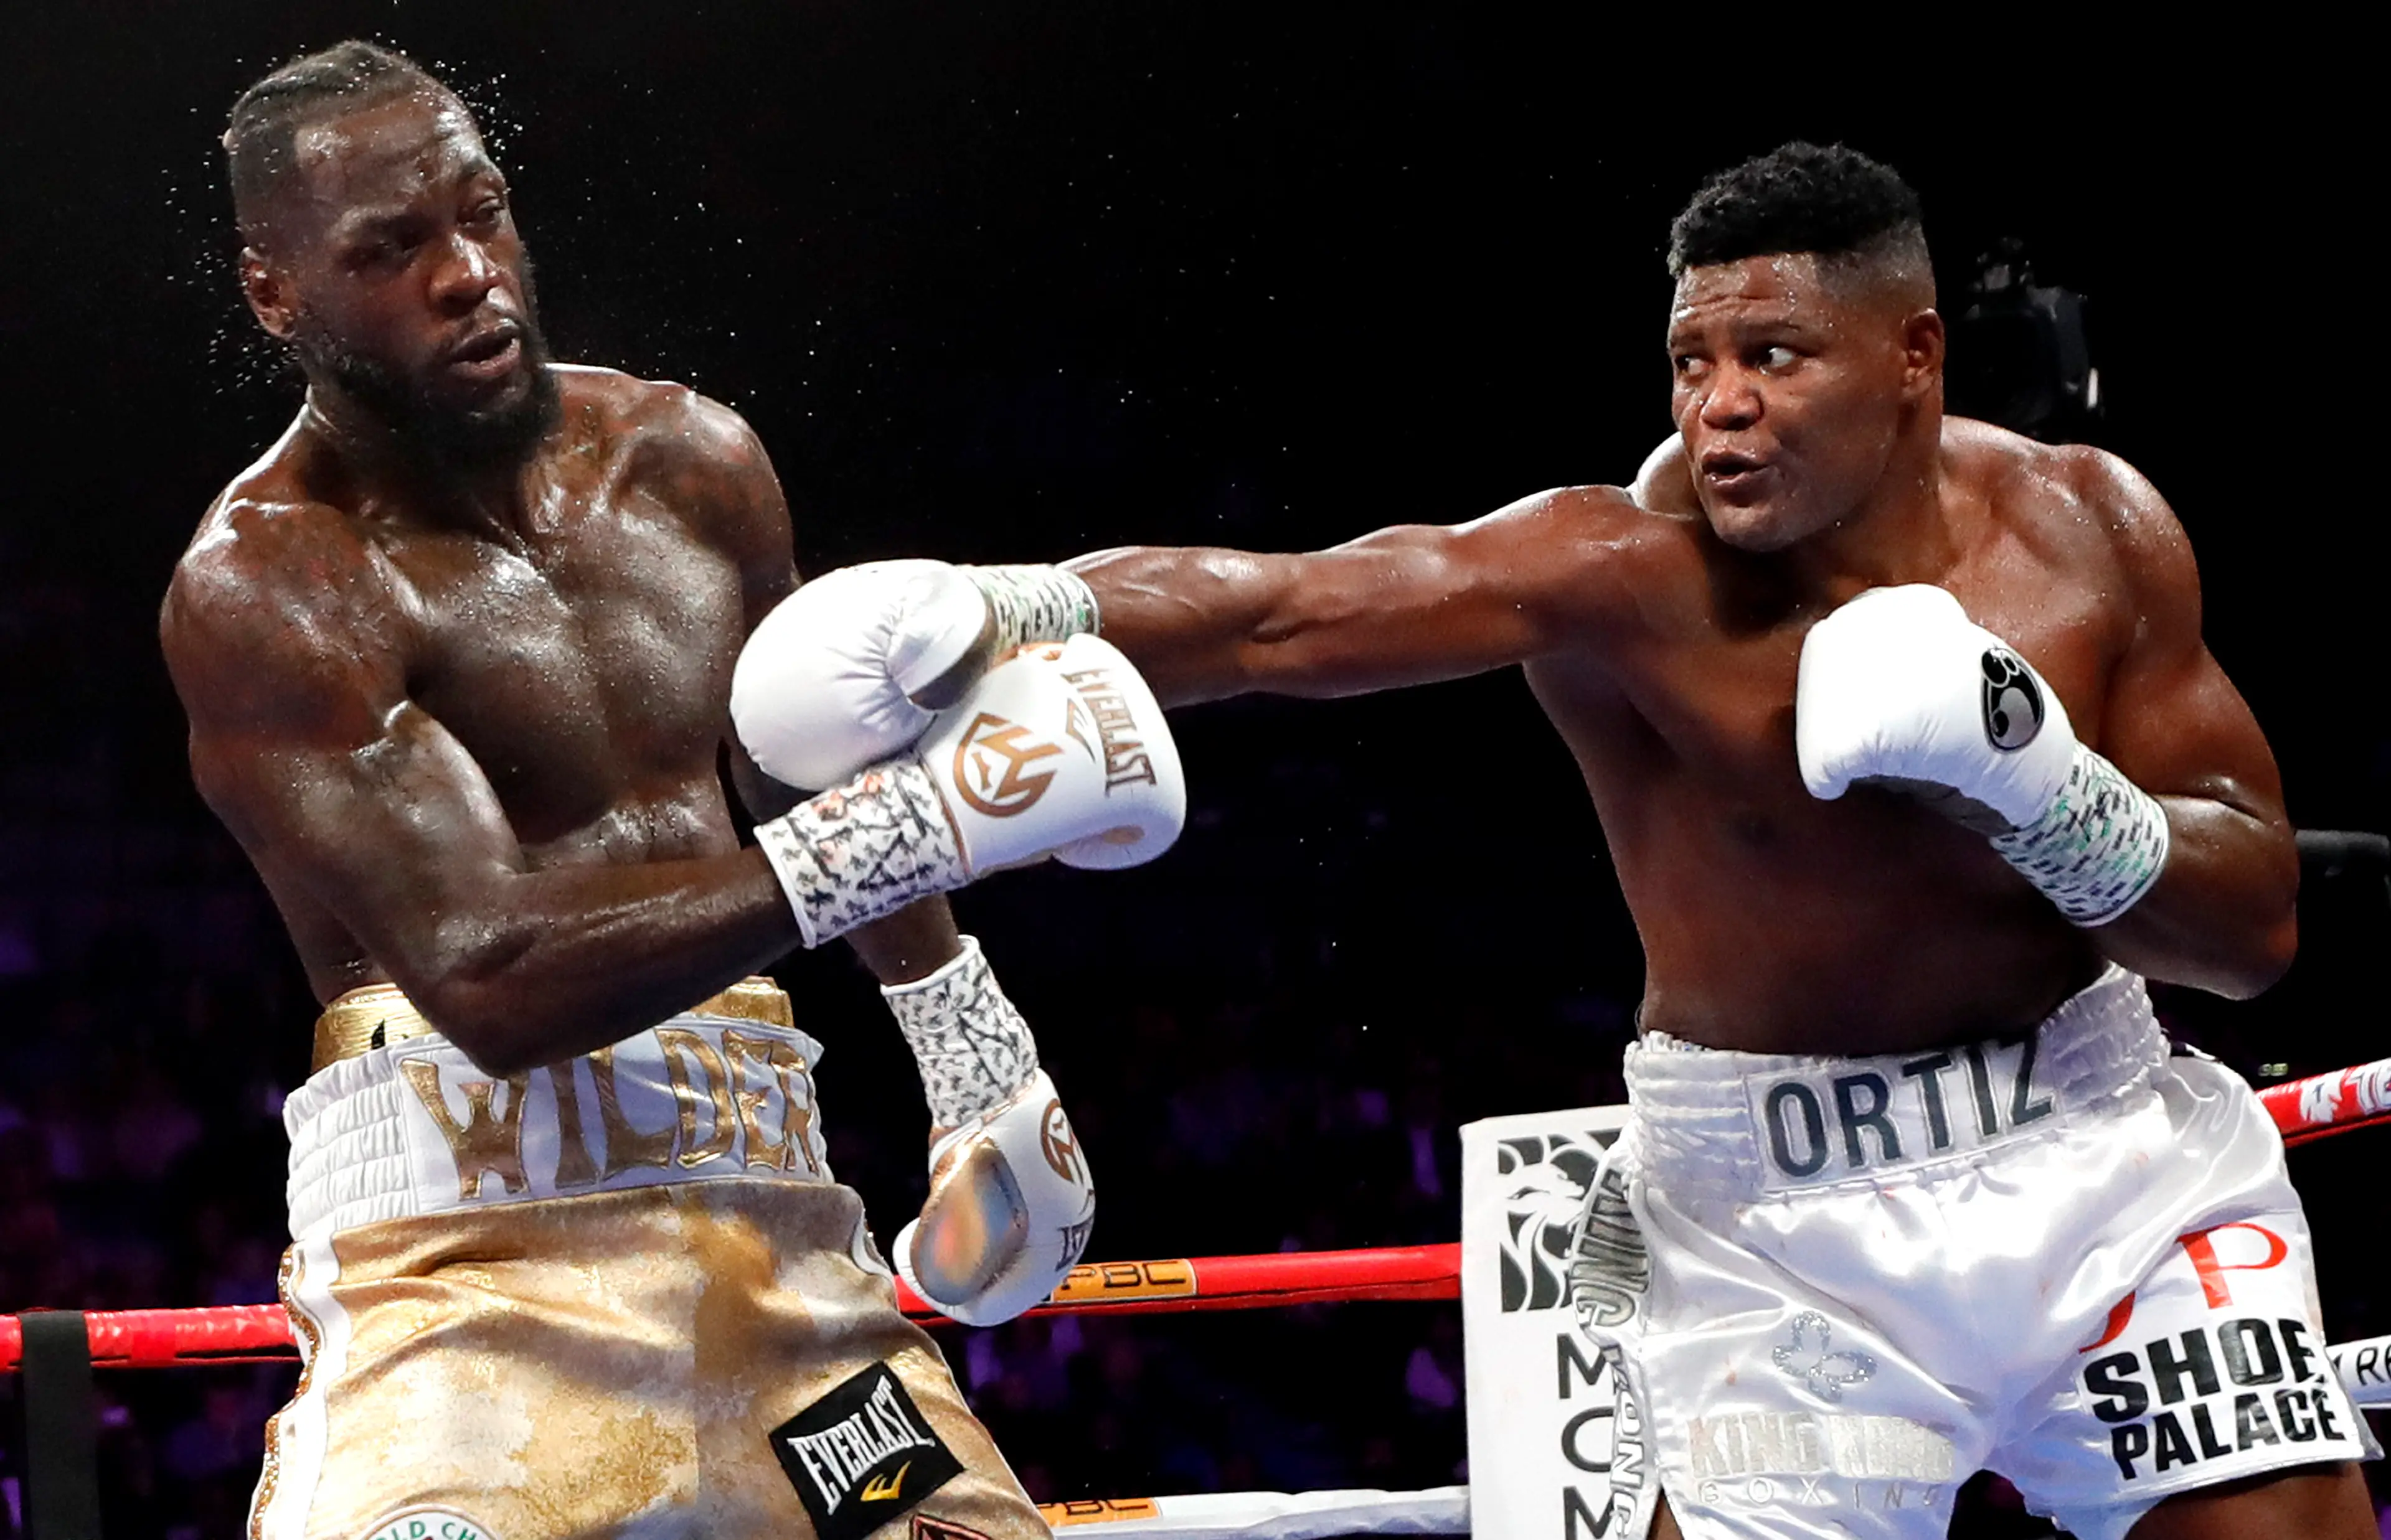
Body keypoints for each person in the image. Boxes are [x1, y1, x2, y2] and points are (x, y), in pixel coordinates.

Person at [754, 144, 2377, 1538]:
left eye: (1776, 355)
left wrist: (2040, 780)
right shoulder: (1628, 573)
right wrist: (1008, 608)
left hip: (2106, 1155)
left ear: (1916, 354)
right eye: (1691, 361)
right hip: (1783, 1237)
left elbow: (2251, 935)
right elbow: (1288, 610)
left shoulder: (2090, 530)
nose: (1721, 407)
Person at [161, 41, 1181, 1540]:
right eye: (390, 249)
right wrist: (928, 820)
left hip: (777, 1259)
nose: (468, 274)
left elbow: (798, 763)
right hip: (464, 1281)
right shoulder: (269, 587)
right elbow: (491, 978)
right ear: (276, 292)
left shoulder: (691, 462)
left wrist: (969, 1048)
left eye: (482, 213)